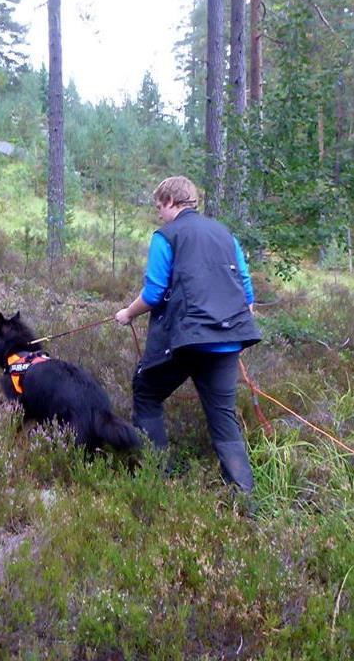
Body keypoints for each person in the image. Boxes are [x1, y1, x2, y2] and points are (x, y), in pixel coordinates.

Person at [115, 176, 261, 494]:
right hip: (226, 343)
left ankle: (156, 479)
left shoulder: (166, 236)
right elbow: (248, 296)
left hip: (185, 342)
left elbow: (153, 294)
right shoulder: (225, 235)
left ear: (171, 202)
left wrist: (127, 314)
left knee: (146, 393)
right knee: (223, 417)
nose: (158, 214)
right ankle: (243, 497)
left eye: (159, 207)